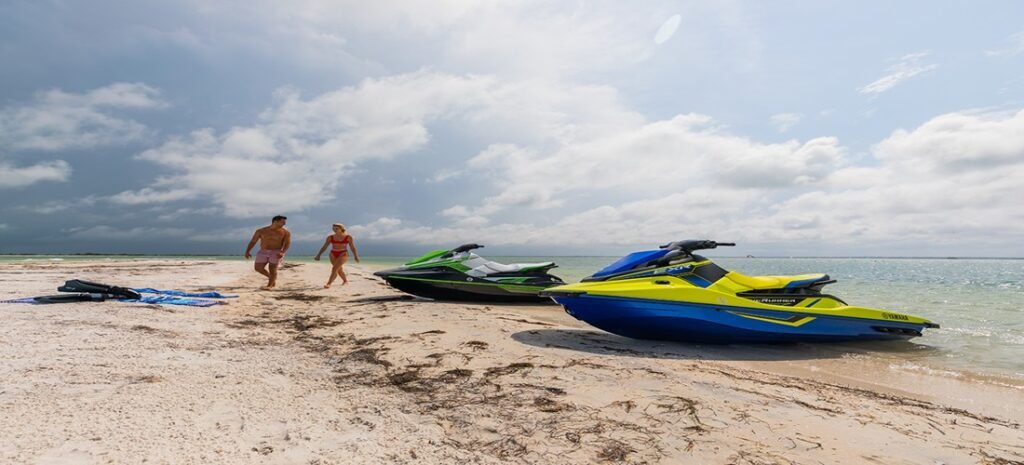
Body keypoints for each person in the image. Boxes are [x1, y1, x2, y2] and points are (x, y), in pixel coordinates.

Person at [244, 215, 291, 289]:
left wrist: (282, 252)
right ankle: (272, 278)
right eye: (283, 222)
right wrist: (247, 251)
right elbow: (253, 241)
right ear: (275, 221)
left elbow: (287, 243)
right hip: (263, 252)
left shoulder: (285, 232)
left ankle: (270, 285)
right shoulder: (261, 231)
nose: (285, 224)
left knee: (272, 268)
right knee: (258, 268)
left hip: (276, 252)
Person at [314, 223, 360, 288]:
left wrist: (356, 256)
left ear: (341, 228)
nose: (334, 230)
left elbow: (352, 247)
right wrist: (318, 255)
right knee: (338, 269)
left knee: (335, 268)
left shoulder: (348, 237)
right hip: (333, 254)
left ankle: (329, 283)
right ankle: (345, 281)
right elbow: (324, 246)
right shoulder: (330, 237)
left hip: (343, 253)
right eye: (333, 228)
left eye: (336, 228)